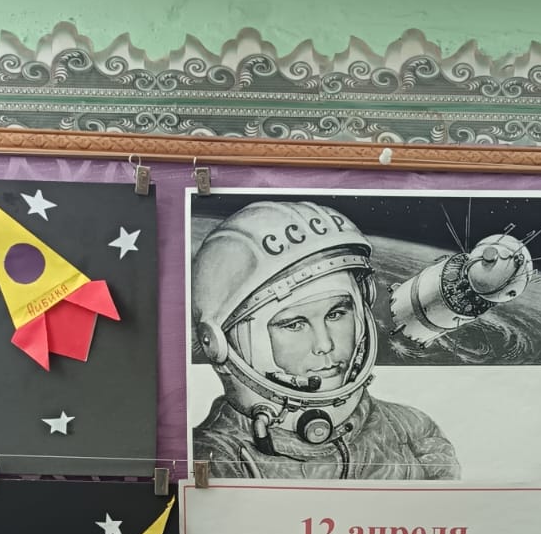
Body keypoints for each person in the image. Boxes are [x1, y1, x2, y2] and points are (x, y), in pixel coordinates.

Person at [190, 200, 460, 480]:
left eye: (336, 314)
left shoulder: (414, 433)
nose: (325, 345)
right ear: (219, 343)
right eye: (294, 324)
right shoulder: (217, 459)